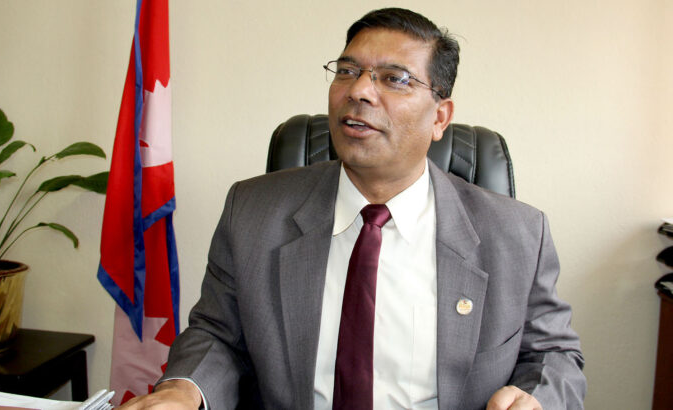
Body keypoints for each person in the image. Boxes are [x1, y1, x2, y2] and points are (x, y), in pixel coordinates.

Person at [121, 7, 586, 410]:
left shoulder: (517, 233)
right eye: (347, 71)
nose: (359, 90)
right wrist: (185, 389)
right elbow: (218, 333)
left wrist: (536, 397)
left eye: (395, 78)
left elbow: (553, 354)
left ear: (440, 117)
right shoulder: (253, 212)